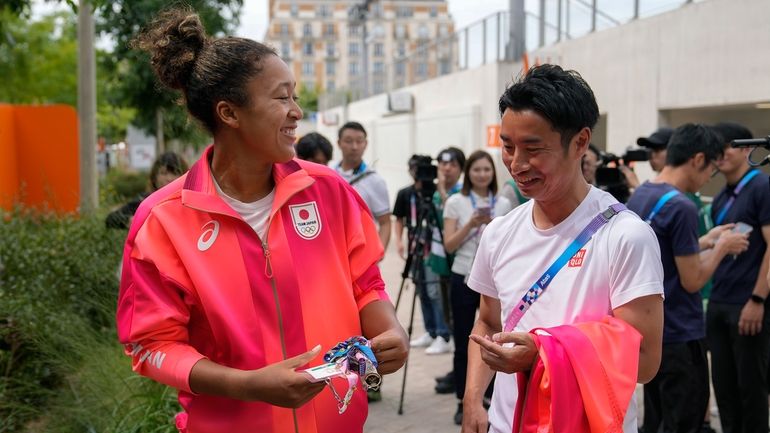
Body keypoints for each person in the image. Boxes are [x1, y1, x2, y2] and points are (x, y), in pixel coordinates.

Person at [116, 9, 407, 433]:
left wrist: (390, 330)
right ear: (230, 114)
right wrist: (250, 386)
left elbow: (366, 284)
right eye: (281, 97)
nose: (296, 112)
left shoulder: (329, 191)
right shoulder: (163, 220)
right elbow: (152, 346)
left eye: (295, 96)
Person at [462, 64, 665, 433]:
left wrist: (541, 355)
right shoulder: (499, 233)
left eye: (533, 149)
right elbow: (490, 322)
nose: (517, 164)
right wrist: (474, 397)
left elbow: (646, 361)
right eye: (507, 147)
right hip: (507, 424)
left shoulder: (626, 236)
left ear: (580, 142)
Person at [626, 123, 749, 433]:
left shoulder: (643, 193)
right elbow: (692, 279)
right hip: (680, 332)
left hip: (648, 333)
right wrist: (721, 248)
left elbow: (664, 254)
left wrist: (705, 241)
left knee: (653, 420)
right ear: (697, 159)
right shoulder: (682, 206)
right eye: (711, 169)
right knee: (684, 421)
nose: (710, 178)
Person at [706, 121, 770, 433]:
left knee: (751, 390)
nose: (720, 153)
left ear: (747, 148)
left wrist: (758, 299)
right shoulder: (721, 197)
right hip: (719, 300)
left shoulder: (761, 186)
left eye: (728, 145)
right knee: (725, 388)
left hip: (748, 303)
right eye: (716, 147)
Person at [442, 150, 512, 425]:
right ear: (468, 173)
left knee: (497, 339)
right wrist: (471, 224)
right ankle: (464, 399)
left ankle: (492, 397)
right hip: (463, 276)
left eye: (487, 170)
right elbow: (449, 245)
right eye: (476, 170)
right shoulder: (456, 202)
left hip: (496, 280)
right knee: (464, 340)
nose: (482, 174)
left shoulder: (504, 203)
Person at [334, 121, 391, 250]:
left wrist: (376, 257)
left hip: (362, 256)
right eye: (348, 141)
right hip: (334, 255)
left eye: (359, 141)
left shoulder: (375, 180)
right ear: (339, 143)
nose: (354, 147)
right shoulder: (329, 175)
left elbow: (385, 223)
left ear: (366, 144)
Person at [105, 151, 188, 229]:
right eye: (164, 173)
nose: (169, 178)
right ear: (154, 177)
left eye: (175, 173)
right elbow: (112, 219)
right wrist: (131, 221)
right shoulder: (145, 201)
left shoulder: (190, 203)